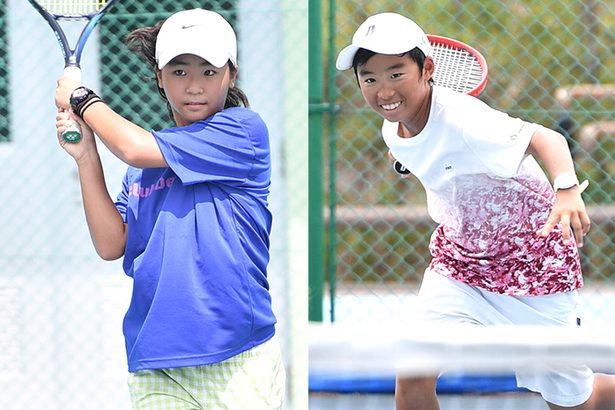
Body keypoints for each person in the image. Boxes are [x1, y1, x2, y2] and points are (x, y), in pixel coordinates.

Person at [336, 12, 615, 410]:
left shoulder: (467, 119)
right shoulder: (392, 130)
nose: (384, 90)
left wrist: (567, 190)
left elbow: (547, 138)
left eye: (396, 74)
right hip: (461, 266)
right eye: (370, 78)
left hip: (533, 265)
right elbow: (423, 154)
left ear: (427, 68)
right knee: (413, 373)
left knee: (574, 402)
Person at [54, 8, 285, 409]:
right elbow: (112, 244)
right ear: (160, 77)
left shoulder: (244, 132)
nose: (194, 85)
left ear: (231, 74)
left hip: (236, 355)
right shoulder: (142, 167)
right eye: (179, 72)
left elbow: (133, 146)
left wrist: (80, 98)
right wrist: (86, 157)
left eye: (208, 71)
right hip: (155, 358)